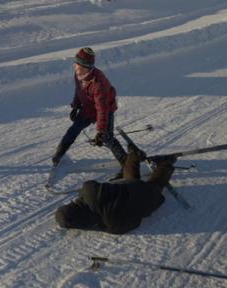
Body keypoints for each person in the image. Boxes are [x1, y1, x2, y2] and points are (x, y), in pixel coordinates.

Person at [54, 145, 175, 234]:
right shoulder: (89, 192)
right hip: (134, 189)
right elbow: (90, 185)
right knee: (130, 181)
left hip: (145, 203)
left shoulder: (108, 227)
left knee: (156, 185)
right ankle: (136, 156)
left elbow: (135, 224)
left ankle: (166, 165)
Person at [52, 47, 127, 178]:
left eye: (77, 64)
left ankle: (126, 165)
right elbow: (78, 91)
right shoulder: (78, 73)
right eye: (75, 62)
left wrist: (100, 131)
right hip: (87, 108)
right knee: (73, 129)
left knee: (107, 138)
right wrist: (75, 106)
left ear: (86, 67)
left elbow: (102, 110)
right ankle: (59, 155)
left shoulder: (98, 83)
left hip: (105, 108)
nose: (74, 66)